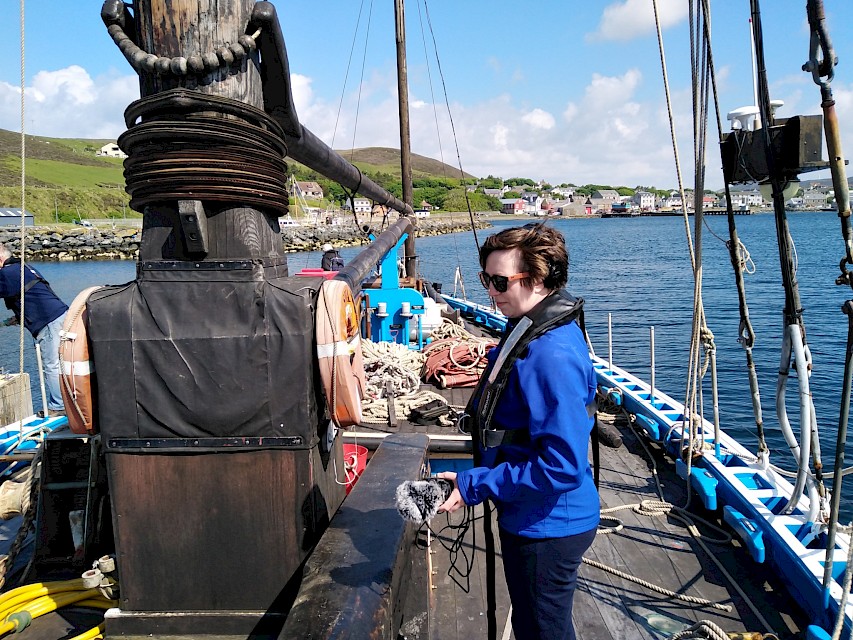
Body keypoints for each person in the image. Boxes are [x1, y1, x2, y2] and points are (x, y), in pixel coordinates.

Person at [437, 223, 599, 640]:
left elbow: (562, 468)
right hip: (530, 514)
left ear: (540, 278)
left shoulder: (551, 356)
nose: (489, 290)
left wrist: (475, 484)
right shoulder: (528, 325)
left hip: (548, 526)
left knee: (543, 630)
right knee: (533, 624)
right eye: (484, 279)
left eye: (499, 281)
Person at [0, 244, 68, 416]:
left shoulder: (7, 274)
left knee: (51, 365)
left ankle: (59, 407)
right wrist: (18, 317)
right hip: (59, 315)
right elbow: (30, 293)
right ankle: (67, 402)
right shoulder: (22, 268)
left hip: (49, 321)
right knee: (62, 363)